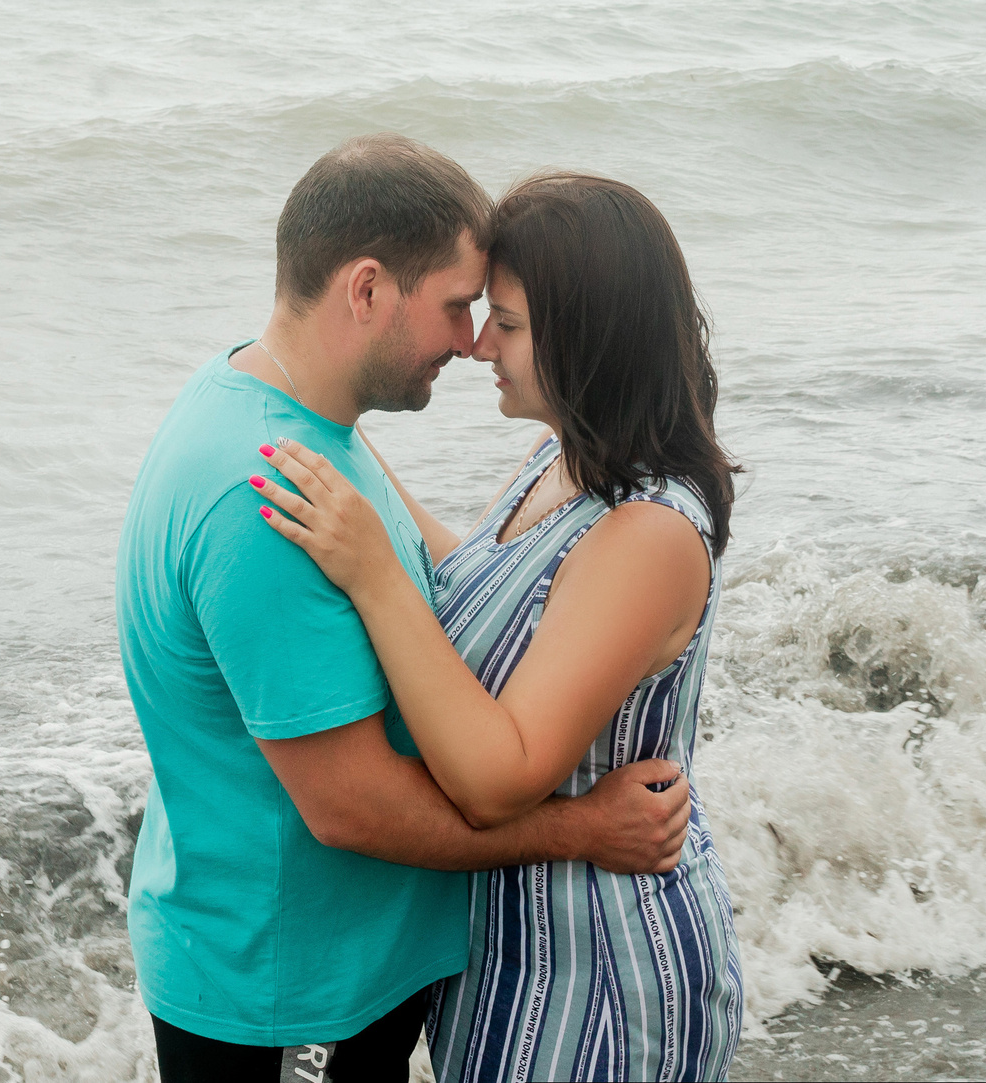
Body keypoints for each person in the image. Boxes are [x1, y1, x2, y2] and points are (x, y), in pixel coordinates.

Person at [116, 137, 696, 1083]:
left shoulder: (303, 425)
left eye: (493, 314)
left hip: (326, 970)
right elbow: (348, 807)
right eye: (459, 306)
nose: (470, 340)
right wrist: (581, 827)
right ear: (369, 290)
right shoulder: (266, 498)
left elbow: (466, 572)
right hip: (287, 996)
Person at [251, 172, 747, 1083]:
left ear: (588, 337)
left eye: (508, 324)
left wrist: (370, 570)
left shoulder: (647, 533)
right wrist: (328, 436)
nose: (479, 344)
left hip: (598, 971)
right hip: (515, 950)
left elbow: (494, 778)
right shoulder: (560, 461)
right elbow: (471, 582)